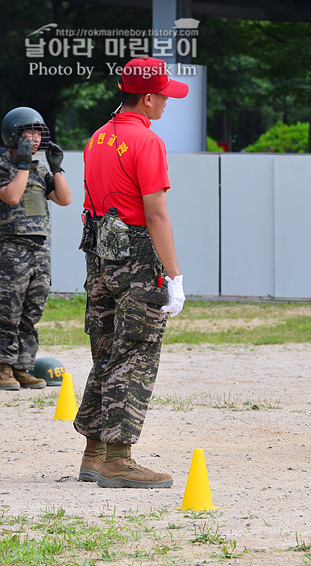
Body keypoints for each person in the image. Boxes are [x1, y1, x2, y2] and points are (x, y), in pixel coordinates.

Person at [73, 57, 187, 488]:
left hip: (99, 254)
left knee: (106, 351)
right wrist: (173, 276)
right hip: (137, 257)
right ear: (148, 97)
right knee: (135, 352)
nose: (166, 103)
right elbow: (156, 214)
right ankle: (119, 459)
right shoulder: (147, 142)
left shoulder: (97, 139)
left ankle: (94, 452)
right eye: (163, 96)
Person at [0, 107, 71, 391]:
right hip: (11, 249)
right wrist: (23, 165)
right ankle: (3, 367)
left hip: (39, 251)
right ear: (12, 136)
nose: (35, 138)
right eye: (28, 133)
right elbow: (12, 196)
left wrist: (56, 168)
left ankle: (23, 366)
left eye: (39, 133)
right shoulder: (4, 165)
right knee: (7, 312)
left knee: (31, 312)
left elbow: (64, 199)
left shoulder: (41, 169)